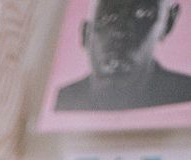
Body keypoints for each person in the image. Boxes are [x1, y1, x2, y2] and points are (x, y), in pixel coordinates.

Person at [56, 0, 191, 111]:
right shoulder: (62, 99)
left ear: (168, 22)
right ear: (85, 33)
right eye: (107, 17)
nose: (120, 32)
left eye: (142, 13)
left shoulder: (185, 92)